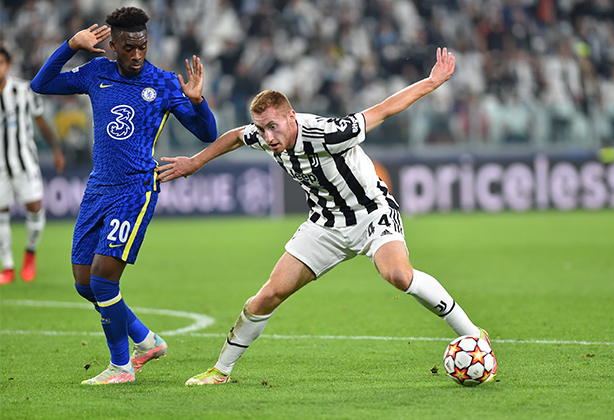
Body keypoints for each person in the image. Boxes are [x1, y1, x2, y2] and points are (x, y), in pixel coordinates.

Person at [157, 47, 497, 386]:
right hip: (325, 224)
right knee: (269, 294)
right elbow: (235, 136)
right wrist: (196, 161)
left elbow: (382, 111)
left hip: (370, 213)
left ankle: (473, 335)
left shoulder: (327, 133)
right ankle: (221, 371)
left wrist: (431, 81)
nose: (268, 137)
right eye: (262, 130)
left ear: (292, 117)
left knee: (397, 275)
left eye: (273, 127)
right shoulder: (264, 136)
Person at [30, 7, 218, 385]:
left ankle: (121, 367)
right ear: (112, 45)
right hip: (99, 187)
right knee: (84, 283)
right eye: (128, 47)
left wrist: (198, 102)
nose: (136, 55)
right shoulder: (96, 72)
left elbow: (207, 134)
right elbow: (41, 83)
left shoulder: (164, 83)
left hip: (136, 189)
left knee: (102, 282)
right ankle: (146, 341)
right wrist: (70, 46)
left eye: (142, 47)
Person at [0, 46, 66, 285]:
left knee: (35, 207)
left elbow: (42, 123)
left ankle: (30, 252)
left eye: (1, 63)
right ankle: (7, 266)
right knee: (1, 214)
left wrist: (57, 150)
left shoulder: (24, 90)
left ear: (8, 65)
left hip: (24, 161)